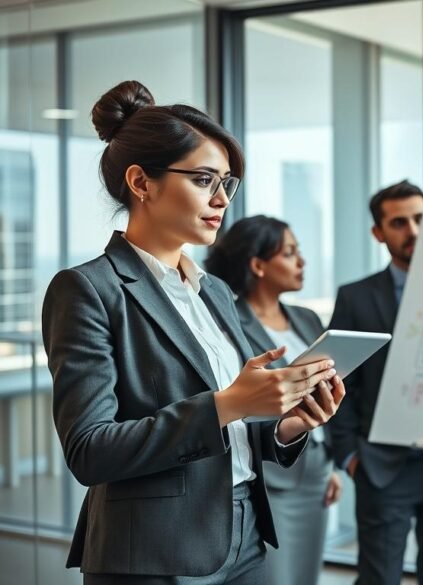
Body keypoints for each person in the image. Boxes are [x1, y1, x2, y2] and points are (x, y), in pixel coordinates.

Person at [41, 80, 345, 584]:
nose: (222, 198)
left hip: (245, 535)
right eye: (205, 179)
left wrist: (291, 423)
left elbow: (244, 434)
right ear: (142, 183)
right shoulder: (88, 289)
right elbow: (90, 451)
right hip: (154, 552)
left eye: (228, 182)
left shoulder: (217, 292)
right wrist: (229, 403)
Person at [327, 180, 423, 585]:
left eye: (420, 219)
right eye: (398, 222)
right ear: (379, 233)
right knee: (378, 579)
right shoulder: (355, 297)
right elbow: (339, 381)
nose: (412, 231)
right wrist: (350, 457)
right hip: (383, 467)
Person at [205, 215, 343, 585]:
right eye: (291, 253)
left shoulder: (307, 318)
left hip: (312, 465)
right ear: (258, 264)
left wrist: (331, 466)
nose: (303, 262)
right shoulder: (228, 321)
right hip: (269, 475)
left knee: (305, 574)